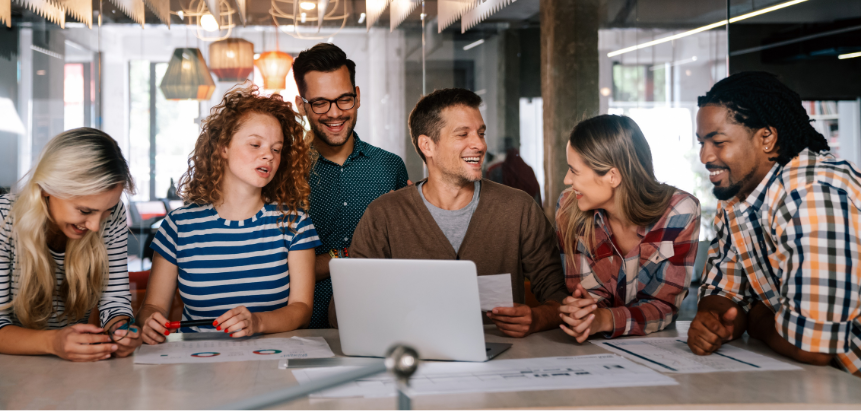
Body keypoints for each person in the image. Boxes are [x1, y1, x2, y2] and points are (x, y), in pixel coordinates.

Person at [336, 88, 569, 338]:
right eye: (463, 134)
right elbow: (346, 307)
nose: (480, 145)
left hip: (503, 355)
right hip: (412, 353)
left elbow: (559, 296)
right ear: (427, 145)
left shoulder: (519, 208)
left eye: (481, 133)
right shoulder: (383, 215)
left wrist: (537, 318)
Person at [688, 71, 861, 376]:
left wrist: (758, 321)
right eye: (702, 142)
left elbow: (813, 348)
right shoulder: (738, 197)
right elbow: (724, 292)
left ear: (766, 138)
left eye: (718, 141)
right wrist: (714, 321)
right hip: (822, 382)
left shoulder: (813, 196)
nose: (705, 156)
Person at [138, 83, 320, 343]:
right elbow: (152, 307)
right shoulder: (178, 226)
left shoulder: (295, 223)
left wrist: (257, 322)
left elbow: (301, 310)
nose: (268, 156)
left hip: (271, 359)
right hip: (197, 361)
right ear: (223, 147)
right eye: (255, 144)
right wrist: (149, 322)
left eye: (276, 149)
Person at [0, 128, 140, 361]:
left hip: (71, 369)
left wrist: (121, 331)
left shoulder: (113, 216)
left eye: (107, 210)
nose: (95, 226)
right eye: (84, 210)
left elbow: (115, 304)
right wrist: (54, 342)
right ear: (46, 188)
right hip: (1, 368)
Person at [292, 43, 409, 329]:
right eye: (320, 102)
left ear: (357, 97)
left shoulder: (390, 166)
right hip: (301, 330)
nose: (334, 113)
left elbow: (404, 253)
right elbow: (274, 265)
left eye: (344, 99)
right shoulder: (284, 172)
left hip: (380, 323)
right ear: (301, 105)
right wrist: (350, 254)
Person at [554, 115, 700, 342]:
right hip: (591, 349)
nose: (566, 180)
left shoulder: (679, 212)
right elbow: (585, 297)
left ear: (612, 176)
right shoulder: (569, 208)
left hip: (655, 348)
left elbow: (664, 305)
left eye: (574, 170)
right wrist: (583, 314)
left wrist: (605, 319)